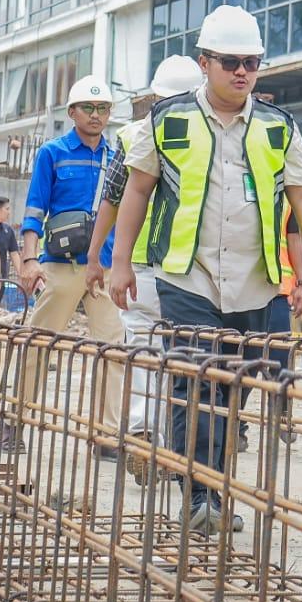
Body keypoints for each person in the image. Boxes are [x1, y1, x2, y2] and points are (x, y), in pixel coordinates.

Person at [108, 6, 302, 535]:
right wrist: (120, 263)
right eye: (232, 62)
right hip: (187, 277)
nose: (243, 72)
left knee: (240, 386)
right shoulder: (167, 119)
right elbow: (137, 189)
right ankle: (202, 495)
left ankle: (207, 480)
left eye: (252, 63)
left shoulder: (278, 127)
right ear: (205, 63)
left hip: (257, 285)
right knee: (195, 386)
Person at [85, 53, 205, 482]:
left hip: (140, 264)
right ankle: (172, 444)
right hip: (190, 266)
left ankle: (141, 432)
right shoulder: (211, 131)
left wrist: (98, 256)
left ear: (155, 94)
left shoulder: (136, 131)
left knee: (142, 349)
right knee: (185, 358)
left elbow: (112, 198)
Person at [11, 74, 127, 454]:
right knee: (38, 341)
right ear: (72, 112)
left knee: (113, 348)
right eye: (88, 108)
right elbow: (34, 209)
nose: (96, 115)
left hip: (106, 266)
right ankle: (15, 420)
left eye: (103, 108)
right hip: (62, 264)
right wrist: (29, 259)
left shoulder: (119, 156)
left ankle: (105, 434)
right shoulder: (52, 152)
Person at [0, 197, 24, 311]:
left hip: (1, 280)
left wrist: (21, 276)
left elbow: (14, 254)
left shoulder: (8, 231)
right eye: (7, 209)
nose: (9, 212)